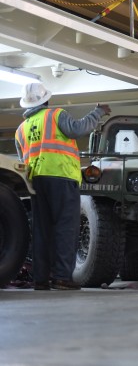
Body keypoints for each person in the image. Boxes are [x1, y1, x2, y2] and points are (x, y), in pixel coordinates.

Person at [14, 82, 110, 290]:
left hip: (36, 181)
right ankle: (61, 277)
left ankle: (40, 279)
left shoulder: (21, 130)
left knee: (41, 230)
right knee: (65, 228)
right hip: (61, 177)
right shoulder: (55, 115)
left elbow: (23, 158)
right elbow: (78, 129)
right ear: (46, 100)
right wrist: (97, 113)